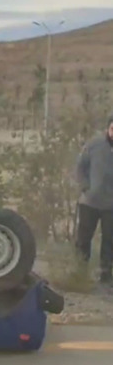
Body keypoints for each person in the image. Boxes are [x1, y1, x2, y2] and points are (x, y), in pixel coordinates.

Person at [74, 114, 113, 285]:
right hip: (89, 201)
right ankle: (79, 272)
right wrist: (85, 186)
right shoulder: (95, 144)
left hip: (111, 205)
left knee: (109, 240)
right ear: (108, 128)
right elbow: (80, 166)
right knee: (83, 238)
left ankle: (105, 276)